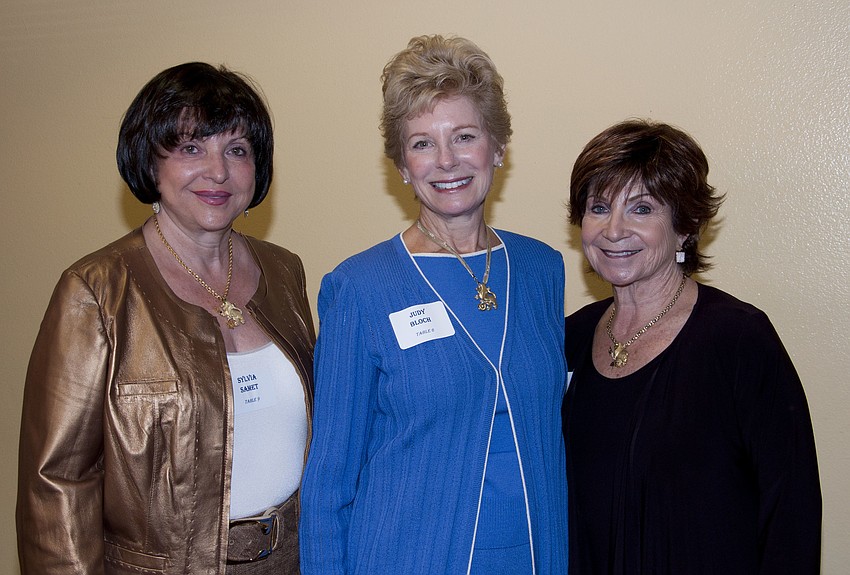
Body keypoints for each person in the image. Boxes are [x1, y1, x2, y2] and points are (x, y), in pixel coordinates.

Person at [16, 62, 315, 575]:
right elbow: (57, 484)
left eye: (237, 150)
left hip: (295, 561)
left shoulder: (284, 271)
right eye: (191, 148)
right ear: (149, 161)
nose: (217, 172)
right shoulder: (95, 292)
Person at [299, 35, 568, 574]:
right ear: (400, 164)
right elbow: (329, 482)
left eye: (464, 136)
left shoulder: (541, 270)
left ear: (497, 148)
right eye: (422, 143)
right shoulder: (361, 288)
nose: (447, 161)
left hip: (536, 557)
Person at [562, 119, 822, 574]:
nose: (614, 229)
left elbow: (791, 511)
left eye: (641, 209)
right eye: (599, 207)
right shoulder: (569, 338)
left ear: (685, 227)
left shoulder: (738, 338)